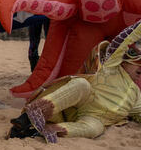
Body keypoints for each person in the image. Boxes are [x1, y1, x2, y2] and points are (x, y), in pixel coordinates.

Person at [8, 20, 141, 142]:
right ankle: (28, 119)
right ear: (125, 61)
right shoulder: (111, 65)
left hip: (95, 118)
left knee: (94, 129)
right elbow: (127, 37)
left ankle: (41, 132)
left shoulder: (136, 93)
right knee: (81, 84)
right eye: (138, 64)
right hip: (83, 98)